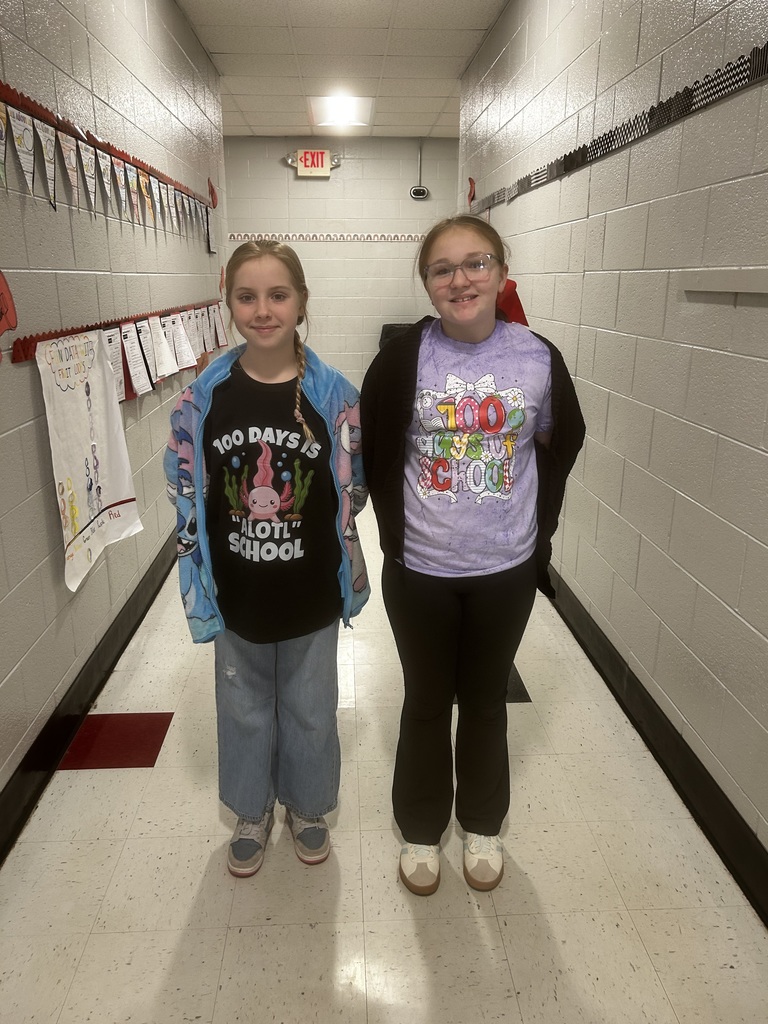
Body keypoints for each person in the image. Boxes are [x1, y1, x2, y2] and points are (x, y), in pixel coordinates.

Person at [360, 215, 584, 895]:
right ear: (428, 286)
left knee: (485, 700)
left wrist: (535, 528)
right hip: (421, 570)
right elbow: (375, 449)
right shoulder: (402, 359)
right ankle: (422, 832)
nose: (461, 279)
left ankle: (483, 824)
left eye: (475, 263)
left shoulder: (536, 357)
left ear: (501, 271)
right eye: (443, 269)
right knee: (426, 700)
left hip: (505, 570)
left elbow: (560, 439)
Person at [165, 240, 369, 877]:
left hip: (310, 590)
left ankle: (307, 808)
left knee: (310, 706)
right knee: (243, 707)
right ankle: (250, 811)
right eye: (246, 296)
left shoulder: (334, 395)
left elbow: (354, 485)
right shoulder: (205, 397)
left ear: (302, 302)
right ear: (228, 304)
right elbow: (184, 481)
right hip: (237, 589)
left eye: (277, 295)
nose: (262, 309)